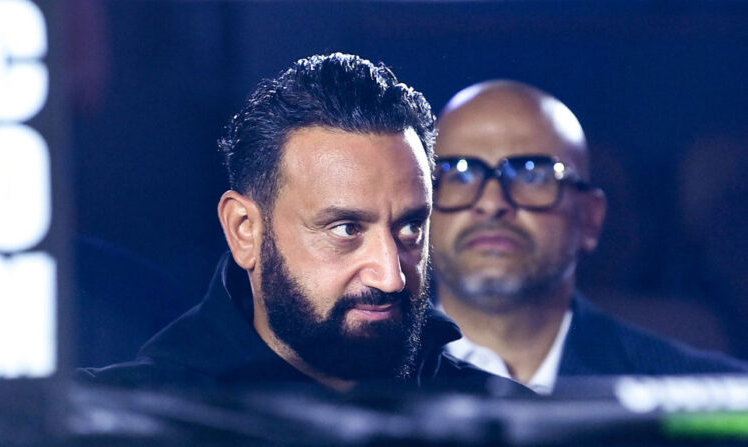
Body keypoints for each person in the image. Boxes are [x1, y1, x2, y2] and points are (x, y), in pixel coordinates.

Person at [77, 54, 523, 394]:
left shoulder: (513, 424)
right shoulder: (114, 425)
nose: (390, 276)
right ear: (244, 231)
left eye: (410, 228)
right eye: (346, 229)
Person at [430, 80, 748, 395]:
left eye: (532, 173)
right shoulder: (381, 380)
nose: (492, 203)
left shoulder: (712, 399)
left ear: (590, 218)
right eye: (459, 173)